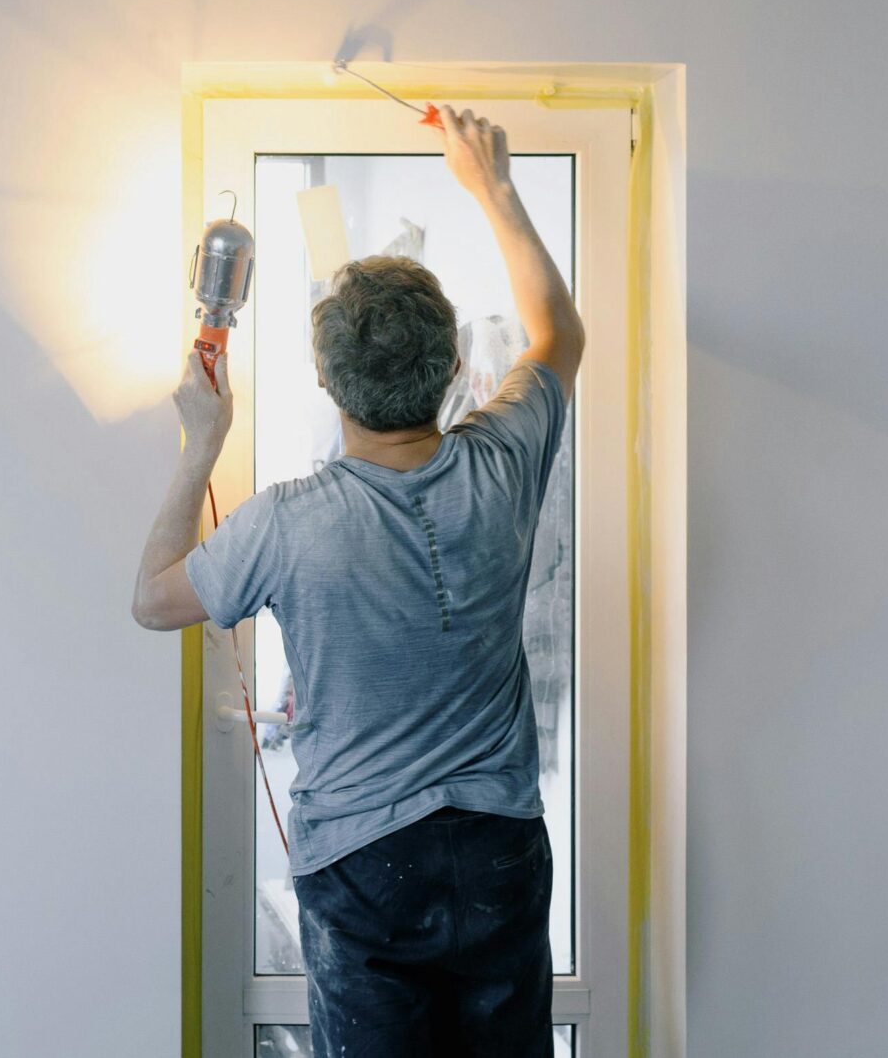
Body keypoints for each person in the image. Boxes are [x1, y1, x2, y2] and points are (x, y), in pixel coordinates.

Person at [130, 107, 584, 1058]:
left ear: (327, 382)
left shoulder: (288, 521)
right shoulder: (500, 460)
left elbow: (154, 598)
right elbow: (557, 332)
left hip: (365, 865)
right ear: (454, 366)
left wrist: (201, 442)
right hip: (500, 843)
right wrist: (492, 186)